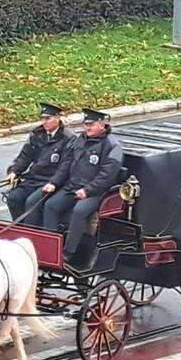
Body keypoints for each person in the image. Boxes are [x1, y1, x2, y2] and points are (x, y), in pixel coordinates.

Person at [41, 108, 124, 270]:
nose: (87, 128)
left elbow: (107, 176)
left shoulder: (112, 146)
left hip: (95, 192)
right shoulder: (80, 140)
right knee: (50, 206)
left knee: (79, 212)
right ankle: (51, 246)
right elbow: (66, 165)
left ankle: (68, 252)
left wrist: (87, 191)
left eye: (91, 125)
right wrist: (54, 182)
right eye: (86, 125)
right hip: (72, 187)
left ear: (102, 125)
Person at [5, 102, 76, 225]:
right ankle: (20, 228)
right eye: (42, 118)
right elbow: (25, 156)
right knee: (13, 198)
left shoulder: (69, 138)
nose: (44, 122)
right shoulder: (36, 134)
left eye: (48, 118)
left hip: (52, 181)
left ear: (58, 117)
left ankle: (33, 234)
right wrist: (14, 171)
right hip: (34, 178)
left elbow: (65, 166)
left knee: (32, 202)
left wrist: (53, 183)